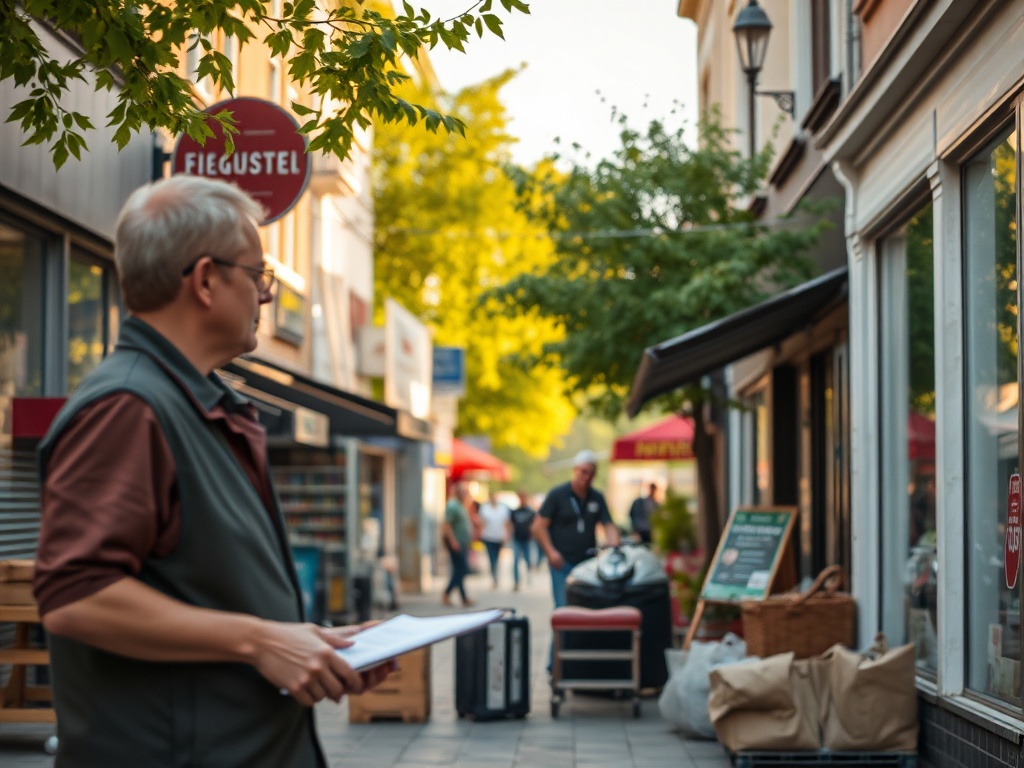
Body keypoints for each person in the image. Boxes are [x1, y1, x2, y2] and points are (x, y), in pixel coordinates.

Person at [31, 176, 392, 768]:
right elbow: (77, 597)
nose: (267, 296)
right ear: (204, 280)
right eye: (257, 276)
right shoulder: (128, 408)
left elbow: (203, 589)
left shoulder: (194, 402)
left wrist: (309, 643)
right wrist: (261, 640)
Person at [533, 450, 621, 608]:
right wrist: (551, 552)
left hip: (587, 562)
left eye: (591, 474)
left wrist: (614, 547)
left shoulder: (596, 497)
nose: (586, 477)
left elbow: (608, 525)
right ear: (575, 470)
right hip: (562, 562)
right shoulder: (558, 494)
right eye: (583, 472)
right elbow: (538, 527)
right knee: (563, 607)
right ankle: (559, 633)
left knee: (585, 607)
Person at [442, 481, 476, 607]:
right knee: (461, 569)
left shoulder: (461, 505)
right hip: (456, 542)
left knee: (460, 570)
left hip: (463, 541)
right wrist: (453, 541)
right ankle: (447, 592)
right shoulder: (452, 505)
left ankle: (463, 597)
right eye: (463, 492)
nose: (465, 494)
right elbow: (447, 525)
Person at [478, 488, 511, 588]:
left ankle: (496, 575)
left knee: (497, 558)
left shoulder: (503, 508)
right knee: (491, 558)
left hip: (499, 536)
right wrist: (480, 533)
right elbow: (481, 522)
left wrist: (507, 534)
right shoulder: (484, 508)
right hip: (488, 536)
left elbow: (506, 523)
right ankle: (494, 577)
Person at [509, 490, 536, 591]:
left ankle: (529, 576)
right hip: (517, 539)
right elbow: (510, 524)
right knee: (515, 561)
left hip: (527, 540)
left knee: (528, 561)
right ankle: (516, 582)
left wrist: (533, 534)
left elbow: (535, 524)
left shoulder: (531, 512)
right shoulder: (515, 512)